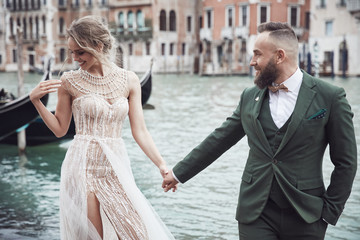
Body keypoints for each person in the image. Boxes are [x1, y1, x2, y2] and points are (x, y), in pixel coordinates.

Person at [163, 22, 357, 239]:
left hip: (306, 214)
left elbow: (346, 162)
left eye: (257, 55)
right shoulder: (249, 96)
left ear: (279, 56)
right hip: (255, 211)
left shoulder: (330, 97)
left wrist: (329, 212)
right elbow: (220, 139)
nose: (252, 62)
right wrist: (179, 173)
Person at [30, 15, 174, 240]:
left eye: (80, 52)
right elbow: (60, 129)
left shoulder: (129, 80)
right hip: (82, 167)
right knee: (92, 236)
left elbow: (140, 131)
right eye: (72, 52)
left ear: (98, 46)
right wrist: (37, 102)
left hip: (115, 167)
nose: (75, 58)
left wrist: (162, 164)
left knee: (136, 233)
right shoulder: (69, 81)